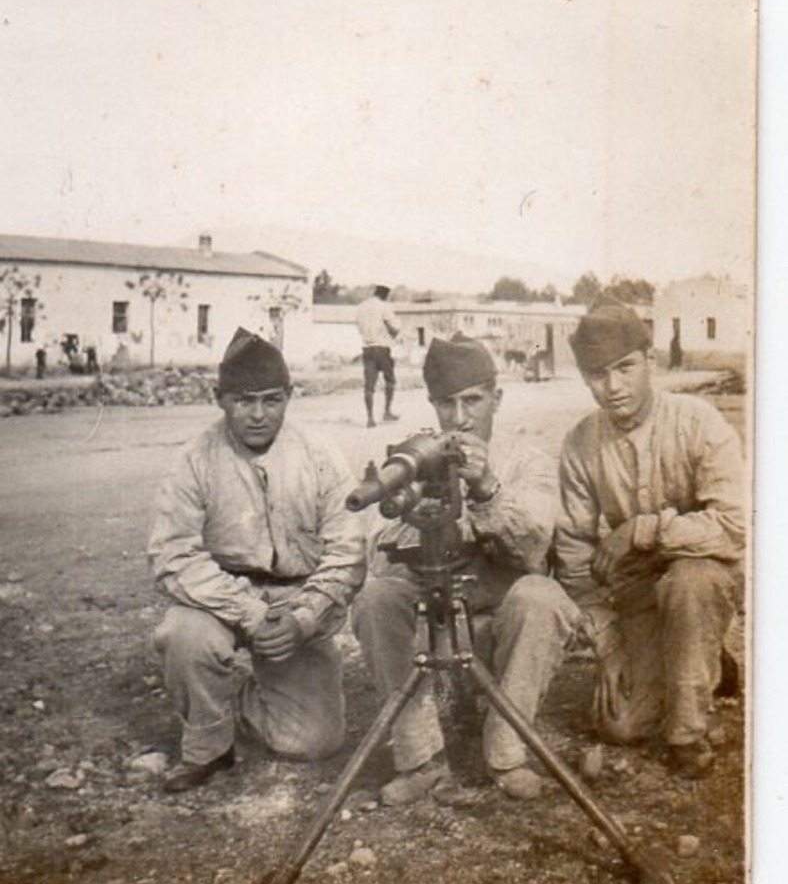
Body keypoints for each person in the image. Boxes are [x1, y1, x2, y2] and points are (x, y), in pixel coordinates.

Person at [352, 333, 578, 805]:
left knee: (542, 597)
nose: (460, 418)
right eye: (446, 404)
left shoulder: (527, 460)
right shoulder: (418, 458)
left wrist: (486, 491)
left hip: (501, 630)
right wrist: (420, 496)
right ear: (433, 405)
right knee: (376, 598)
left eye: (472, 401)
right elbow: (382, 553)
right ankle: (420, 759)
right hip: (434, 629)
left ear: (497, 398)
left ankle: (507, 753)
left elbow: (533, 548)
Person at [149, 328, 367, 792]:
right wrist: (249, 612)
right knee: (183, 634)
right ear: (219, 398)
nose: (257, 415)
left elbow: (348, 550)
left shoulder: (320, 454)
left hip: (296, 600)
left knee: (314, 742)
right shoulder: (195, 459)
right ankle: (209, 744)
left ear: (290, 396)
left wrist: (305, 619)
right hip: (221, 599)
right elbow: (173, 554)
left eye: (271, 400)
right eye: (243, 401)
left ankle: (238, 699)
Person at [554, 298, 745, 779]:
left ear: (651, 362)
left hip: (702, 574)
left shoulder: (698, 421)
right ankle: (692, 656)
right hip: (636, 591)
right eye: (597, 375)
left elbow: (736, 526)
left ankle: (688, 732)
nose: (613, 387)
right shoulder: (580, 444)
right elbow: (574, 559)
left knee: (690, 584)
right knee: (620, 726)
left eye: (626, 368)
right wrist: (609, 646)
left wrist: (642, 530)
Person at [355, 284, 401, 427]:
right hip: (382, 348)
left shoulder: (361, 307)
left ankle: (370, 418)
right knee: (390, 380)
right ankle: (387, 411)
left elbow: (359, 326)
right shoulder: (384, 307)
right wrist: (393, 331)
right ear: (385, 295)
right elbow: (393, 330)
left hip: (367, 349)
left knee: (369, 386)